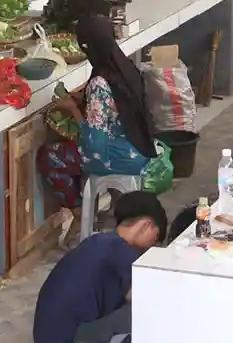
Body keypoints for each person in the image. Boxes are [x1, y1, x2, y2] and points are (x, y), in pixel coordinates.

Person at [32, 190, 167, 343]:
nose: (151, 246)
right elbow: (146, 299)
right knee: (145, 320)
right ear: (146, 226)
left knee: (132, 317)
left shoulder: (99, 241)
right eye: (155, 237)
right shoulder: (125, 254)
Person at [40, 15, 157, 209]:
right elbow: (118, 103)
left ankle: (78, 211)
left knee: (51, 156)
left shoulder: (99, 84)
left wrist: (72, 109)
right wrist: (83, 99)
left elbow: (94, 143)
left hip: (119, 157)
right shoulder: (125, 67)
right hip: (141, 149)